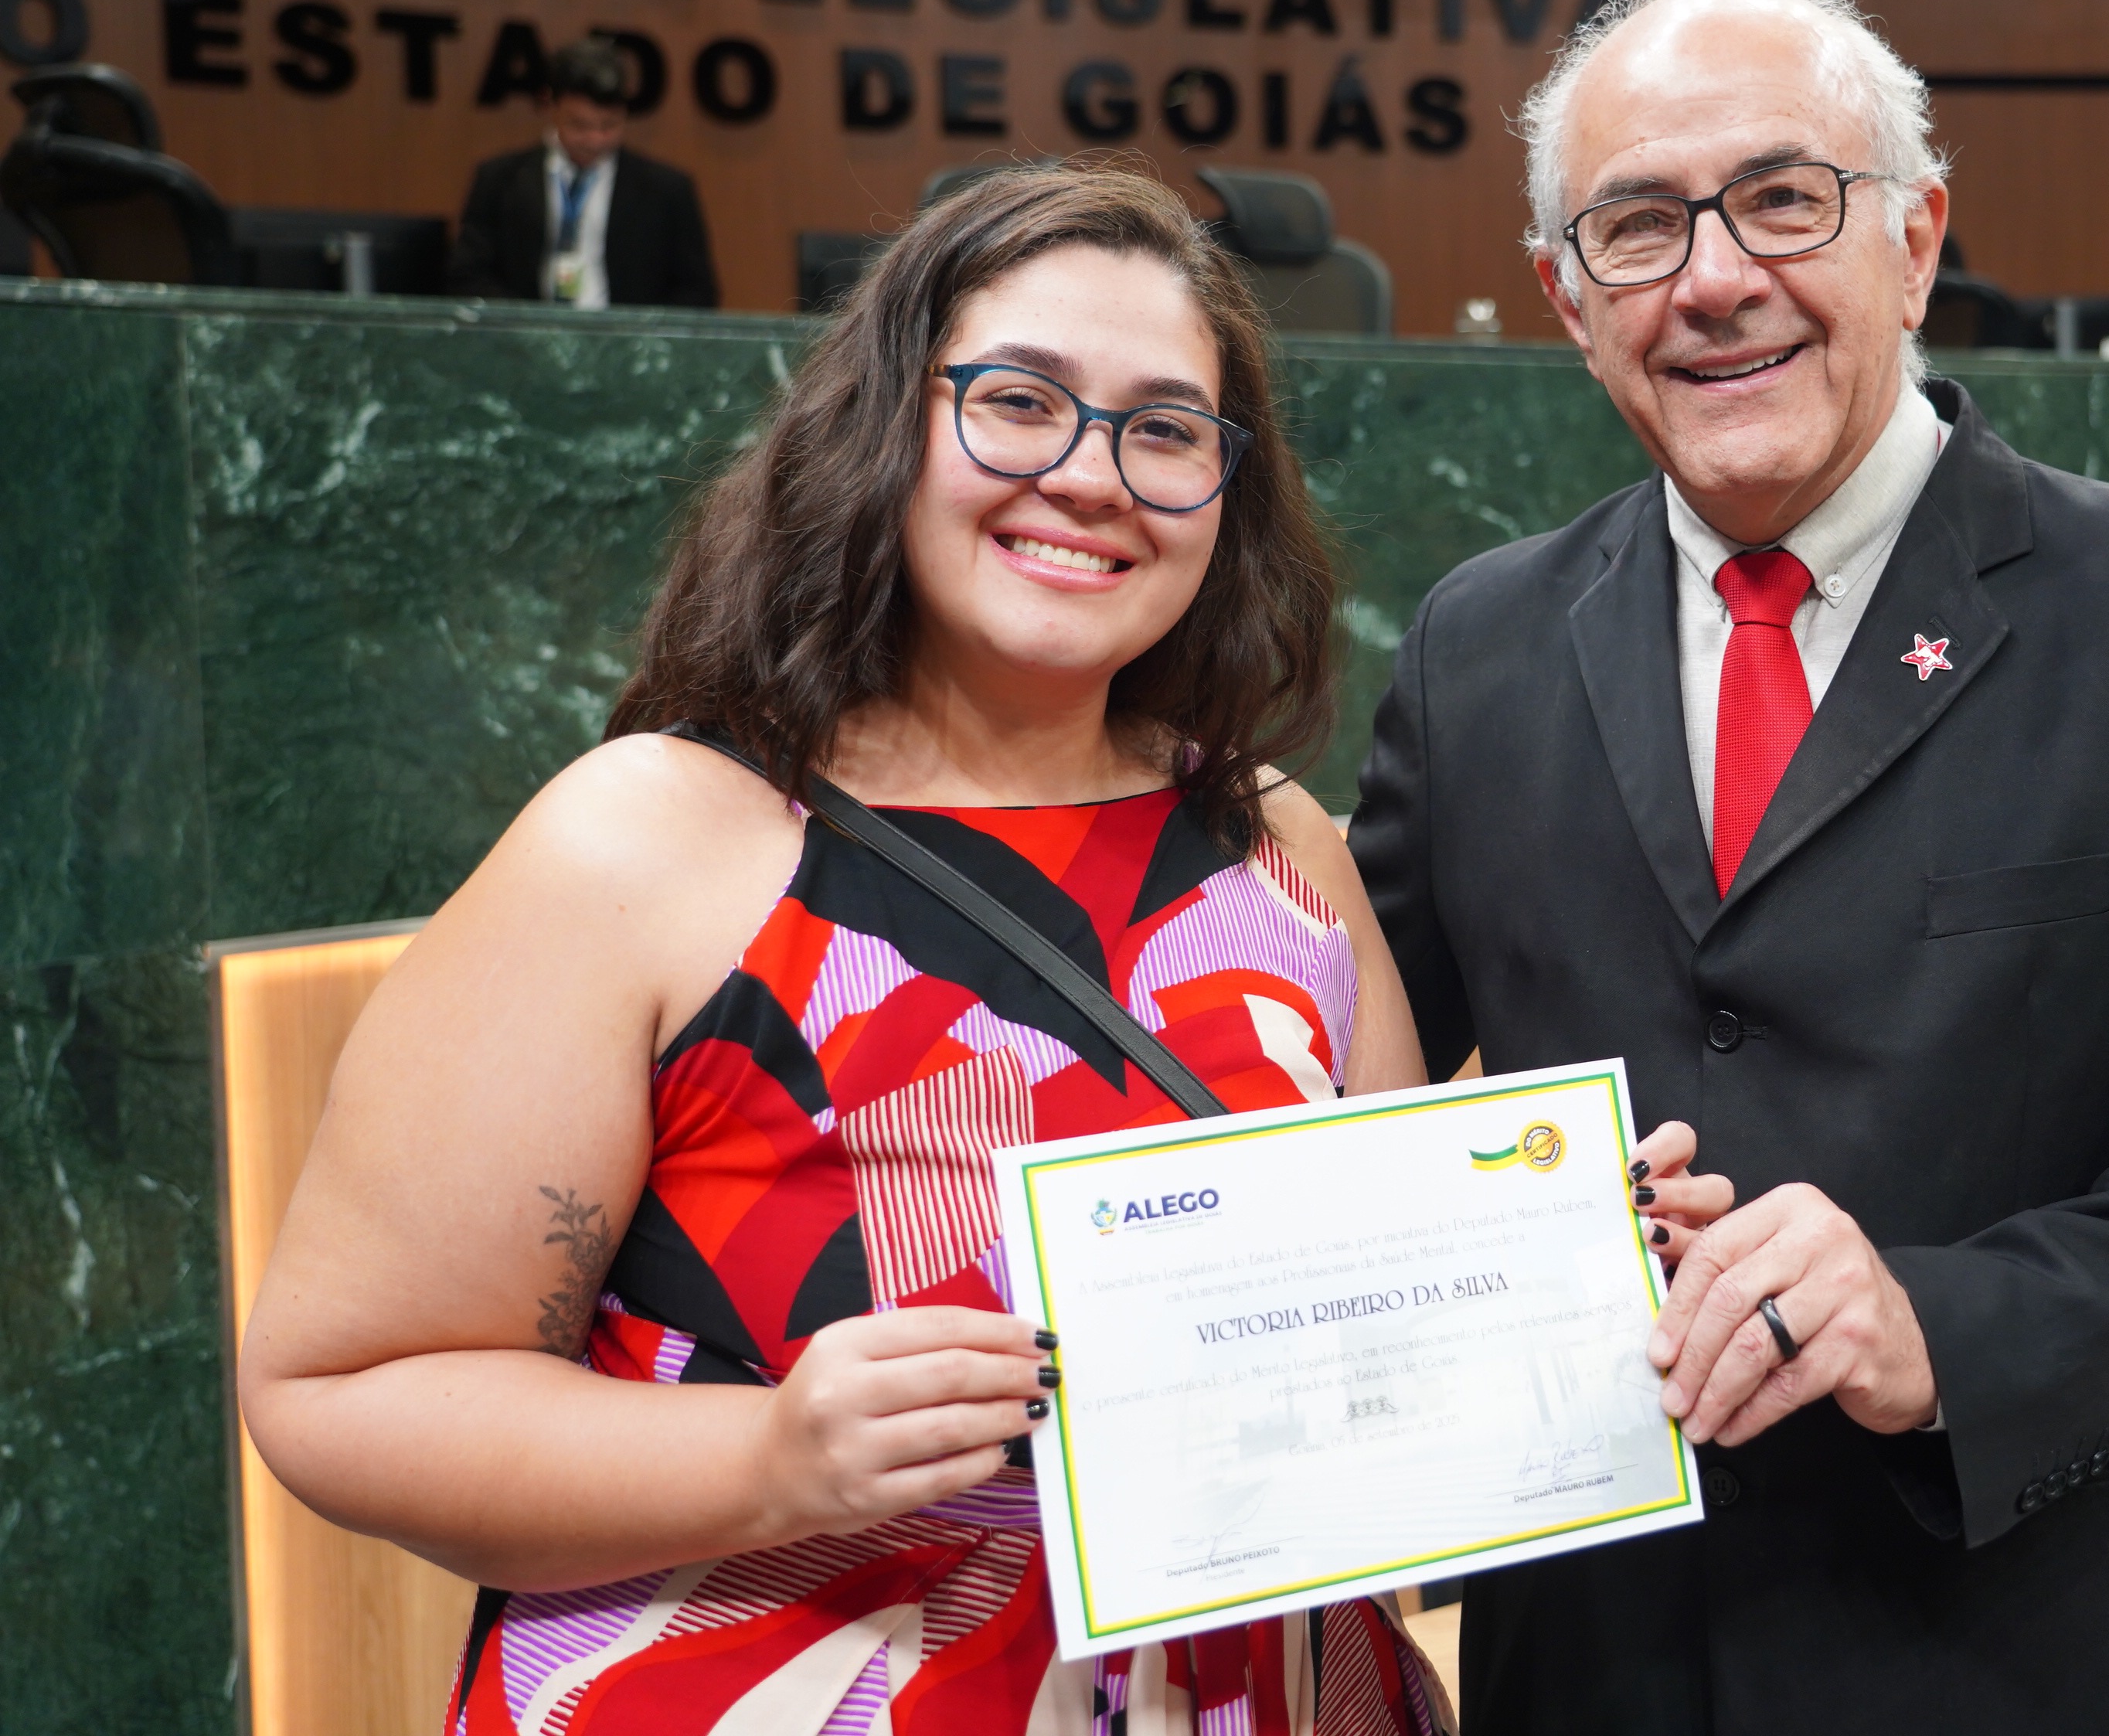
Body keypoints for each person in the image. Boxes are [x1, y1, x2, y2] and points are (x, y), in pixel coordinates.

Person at [1348, 0, 2109, 1733]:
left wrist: (1942, 1323)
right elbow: (1336, 1087)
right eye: (1637, 226)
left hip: (2045, 1648)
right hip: (1605, 1656)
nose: (1713, 279)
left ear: (1915, 240)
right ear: (1566, 297)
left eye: (1783, 197)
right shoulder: (1477, 645)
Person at [237, 164, 1447, 1732]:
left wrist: (1594, 1267)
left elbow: (1390, 1323)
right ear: (884, 423)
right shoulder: (650, 840)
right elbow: (342, 1389)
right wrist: (769, 1458)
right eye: (1019, 402)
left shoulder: (1277, 843)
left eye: (1165, 430)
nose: (1093, 476)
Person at [448, 36, 719, 308]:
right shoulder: (499, 179)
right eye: (579, 126)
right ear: (550, 105)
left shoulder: (666, 190)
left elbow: (697, 292)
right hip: (526, 331)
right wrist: (527, 325)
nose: (595, 140)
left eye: (608, 126)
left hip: (626, 332)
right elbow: (468, 276)